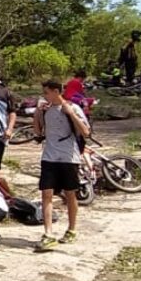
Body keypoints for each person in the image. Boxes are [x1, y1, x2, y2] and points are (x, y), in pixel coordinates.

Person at [33, 80, 90, 252]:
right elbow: (37, 132)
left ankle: (72, 229)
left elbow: (86, 132)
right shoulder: (46, 110)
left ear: (56, 91)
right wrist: (37, 113)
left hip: (68, 157)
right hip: (49, 156)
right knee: (46, 193)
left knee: (70, 194)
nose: (45, 96)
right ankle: (48, 233)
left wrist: (71, 114)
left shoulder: (73, 107)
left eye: (47, 92)